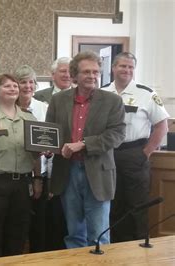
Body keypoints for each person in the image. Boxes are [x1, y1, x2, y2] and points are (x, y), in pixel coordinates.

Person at [46, 51, 125, 248]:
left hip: (98, 172)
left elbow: (117, 134)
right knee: (74, 234)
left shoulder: (112, 101)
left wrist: (84, 144)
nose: (92, 76)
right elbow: (49, 132)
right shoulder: (58, 100)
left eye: (95, 71)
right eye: (86, 72)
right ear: (74, 75)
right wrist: (46, 148)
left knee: (99, 235)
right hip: (67, 172)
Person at [102, 52, 169, 242]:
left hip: (135, 153)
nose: (127, 70)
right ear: (113, 68)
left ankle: (139, 245)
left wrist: (145, 153)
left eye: (131, 67)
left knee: (137, 205)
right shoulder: (102, 93)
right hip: (108, 154)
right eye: (123, 66)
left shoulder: (146, 94)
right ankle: (113, 246)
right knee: (112, 203)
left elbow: (162, 126)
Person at [0, 74, 42, 258]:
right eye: (7, 86)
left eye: (15, 86)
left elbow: (36, 153)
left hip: (22, 184)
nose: (13, 89)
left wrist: (37, 179)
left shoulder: (29, 117)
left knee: (18, 233)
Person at [14, 65, 49, 252]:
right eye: (22, 82)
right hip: (16, 174)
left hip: (40, 173)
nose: (27, 86)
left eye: (31, 82)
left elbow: (53, 140)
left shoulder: (45, 108)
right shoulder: (7, 109)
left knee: (39, 224)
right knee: (17, 224)